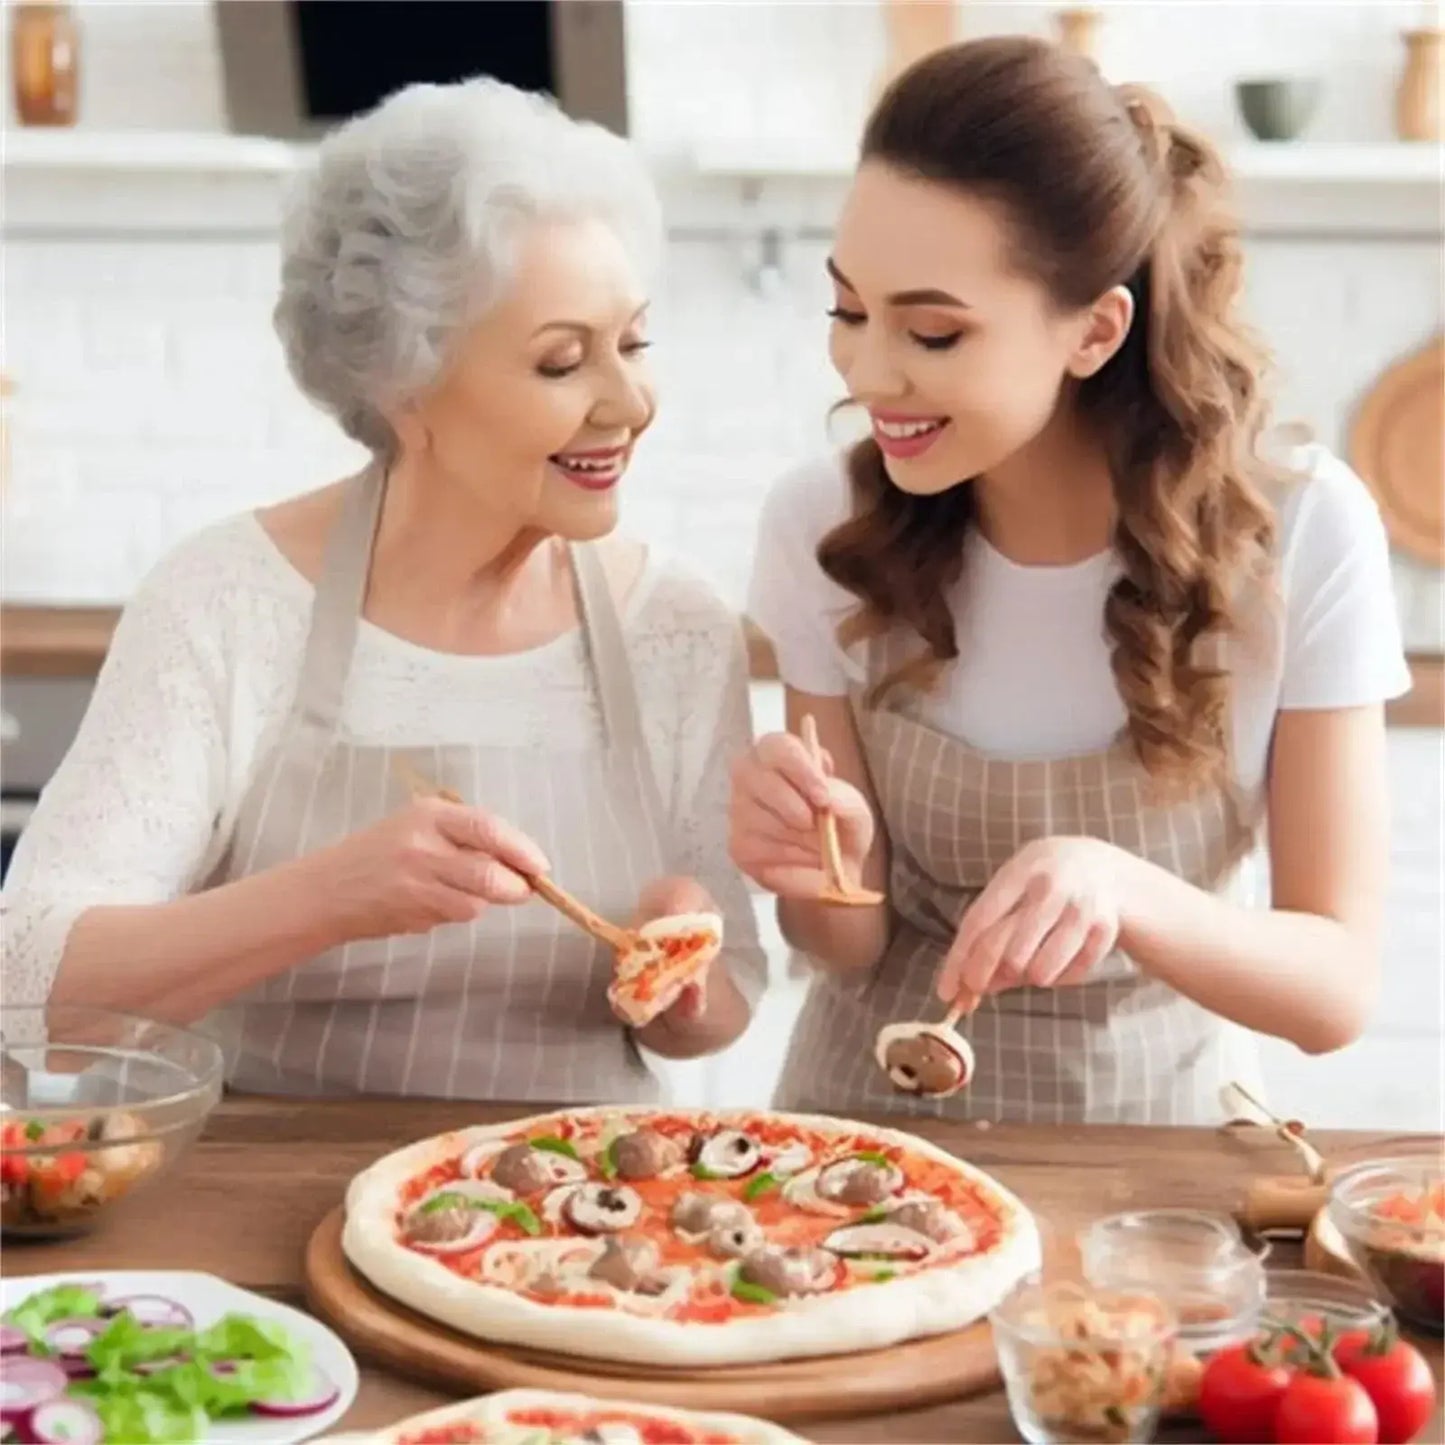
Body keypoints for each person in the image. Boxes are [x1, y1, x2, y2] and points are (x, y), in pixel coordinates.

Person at [3, 78, 766, 1101]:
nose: (628, 403)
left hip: (585, 1220)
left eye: (631, 343)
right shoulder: (224, 602)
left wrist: (685, 974)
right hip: (258, 1208)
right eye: (560, 361)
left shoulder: (676, 626)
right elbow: (27, 994)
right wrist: (325, 896)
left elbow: (721, 1009)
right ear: (406, 388)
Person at [730, 37, 1408, 1124]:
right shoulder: (821, 521)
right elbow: (840, 943)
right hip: (861, 1138)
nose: (864, 373)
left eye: (933, 329)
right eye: (848, 311)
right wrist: (817, 868)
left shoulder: (1301, 530)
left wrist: (1122, 887)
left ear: (1093, 329)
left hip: (1161, 1156)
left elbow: (1330, 989)